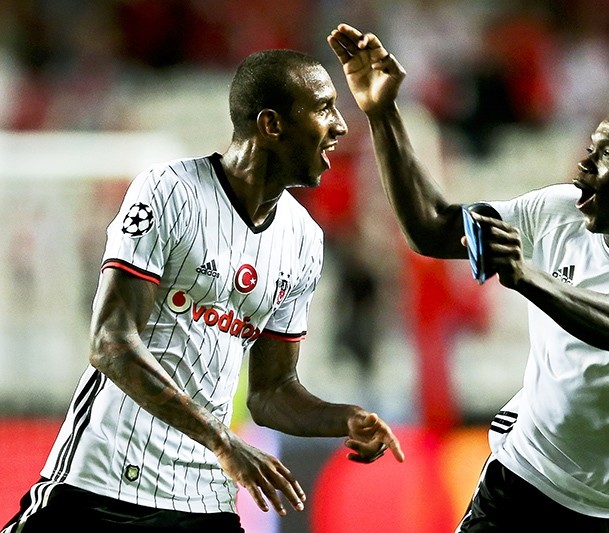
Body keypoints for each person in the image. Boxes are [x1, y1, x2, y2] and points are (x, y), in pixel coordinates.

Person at [327, 23, 609, 532]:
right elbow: (432, 230)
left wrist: (524, 277)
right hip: (524, 479)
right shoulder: (558, 211)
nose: (584, 164)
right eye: (592, 147)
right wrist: (383, 114)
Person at [3, 48, 404, 533]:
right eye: (323, 108)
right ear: (272, 124)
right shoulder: (169, 190)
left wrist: (344, 418)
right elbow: (111, 342)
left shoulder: (304, 240)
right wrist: (223, 441)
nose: (340, 125)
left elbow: (272, 392)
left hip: (204, 499)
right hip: (103, 484)